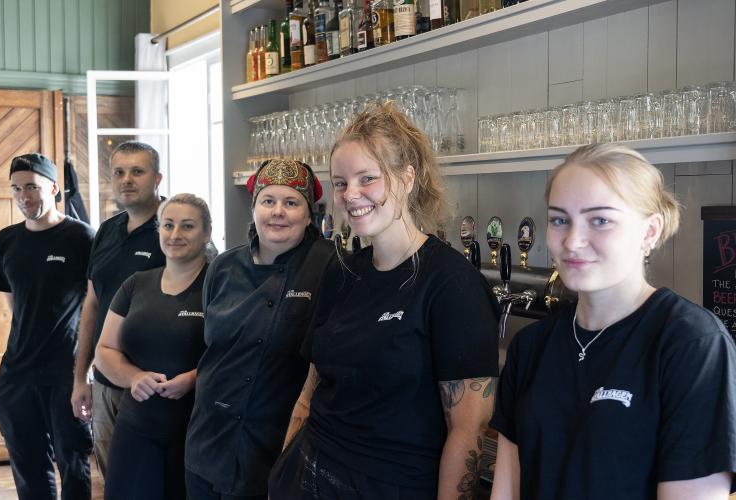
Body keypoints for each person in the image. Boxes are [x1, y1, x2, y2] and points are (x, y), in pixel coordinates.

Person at [269, 102, 500, 498]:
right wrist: (282, 470)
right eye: (341, 183)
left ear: (407, 178)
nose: (351, 195)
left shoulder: (452, 285)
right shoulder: (342, 271)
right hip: (306, 476)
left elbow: (468, 433)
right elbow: (311, 389)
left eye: (367, 178)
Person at [489, 143, 736, 500]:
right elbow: (507, 490)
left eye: (600, 220)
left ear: (650, 231)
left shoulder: (692, 344)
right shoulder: (530, 348)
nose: (573, 241)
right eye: (560, 219)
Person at [184, 159, 335, 499]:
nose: (277, 212)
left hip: (277, 451)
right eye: (268, 201)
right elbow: (211, 349)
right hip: (207, 443)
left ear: (309, 214)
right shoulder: (223, 266)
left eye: (291, 202)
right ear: (254, 209)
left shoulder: (329, 266)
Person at [0, 153, 95, 500]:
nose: (24, 197)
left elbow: (96, 306)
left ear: (53, 187)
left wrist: (84, 374)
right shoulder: (5, 241)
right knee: (28, 467)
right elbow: (15, 305)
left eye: (32, 187)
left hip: (66, 369)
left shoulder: (82, 237)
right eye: (16, 189)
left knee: (73, 463)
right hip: (17, 372)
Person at [95, 194, 212, 500]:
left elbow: (238, 354)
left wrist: (194, 378)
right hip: (136, 427)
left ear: (206, 234)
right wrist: (134, 377)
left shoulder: (222, 284)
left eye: (187, 226)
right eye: (168, 225)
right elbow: (105, 350)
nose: (175, 235)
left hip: (197, 430)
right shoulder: (136, 284)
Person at [71, 140, 165, 477]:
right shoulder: (107, 231)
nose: (127, 179)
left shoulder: (176, 229)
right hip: (106, 380)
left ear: (157, 178)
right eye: (119, 172)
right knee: (114, 480)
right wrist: (80, 377)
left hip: (154, 383)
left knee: (154, 482)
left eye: (137, 171)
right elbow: (92, 304)